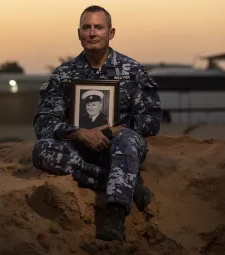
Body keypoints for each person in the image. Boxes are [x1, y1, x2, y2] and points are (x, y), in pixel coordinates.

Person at [31, 5, 163, 241]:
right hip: (81, 149)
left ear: (111, 33)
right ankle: (121, 183)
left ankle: (115, 216)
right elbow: (43, 122)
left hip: (121, 149)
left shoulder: (132, 71)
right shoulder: (64, 74)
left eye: (99, 27)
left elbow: (151, 120)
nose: (92, 33)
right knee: (42, 150)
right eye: (87, 27)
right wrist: (78, 133)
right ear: (79, 33)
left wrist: (115, 131)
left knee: (127, 139)